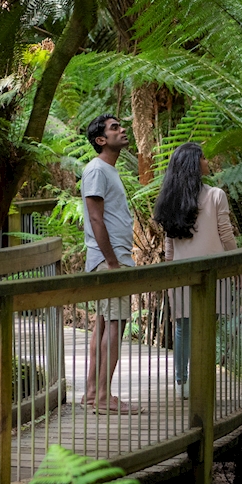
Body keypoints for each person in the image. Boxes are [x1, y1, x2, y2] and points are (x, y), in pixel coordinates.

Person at [154, 142, 236, 395]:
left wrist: (169, 273)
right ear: (193, 164)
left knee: (182, 327)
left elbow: (169, 244)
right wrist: (235, 263)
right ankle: (203, 379)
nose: (207, 161)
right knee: (207, 326)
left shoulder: (170, 200)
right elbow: (226, 233)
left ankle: (182, 382)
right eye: (203, 157)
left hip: (181, 272)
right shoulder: (215, 195)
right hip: (213, 271)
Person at [80, 113, 140, 414]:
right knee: (114, 325)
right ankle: (103, 397)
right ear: (100, 139)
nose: (122, 130)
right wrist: (113, 261)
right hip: (110, 259)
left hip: (110, 258)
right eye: (115, 128)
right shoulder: (97, 171)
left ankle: (93, 394)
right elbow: (95, 218)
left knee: (104, 325)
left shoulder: (107, 170)